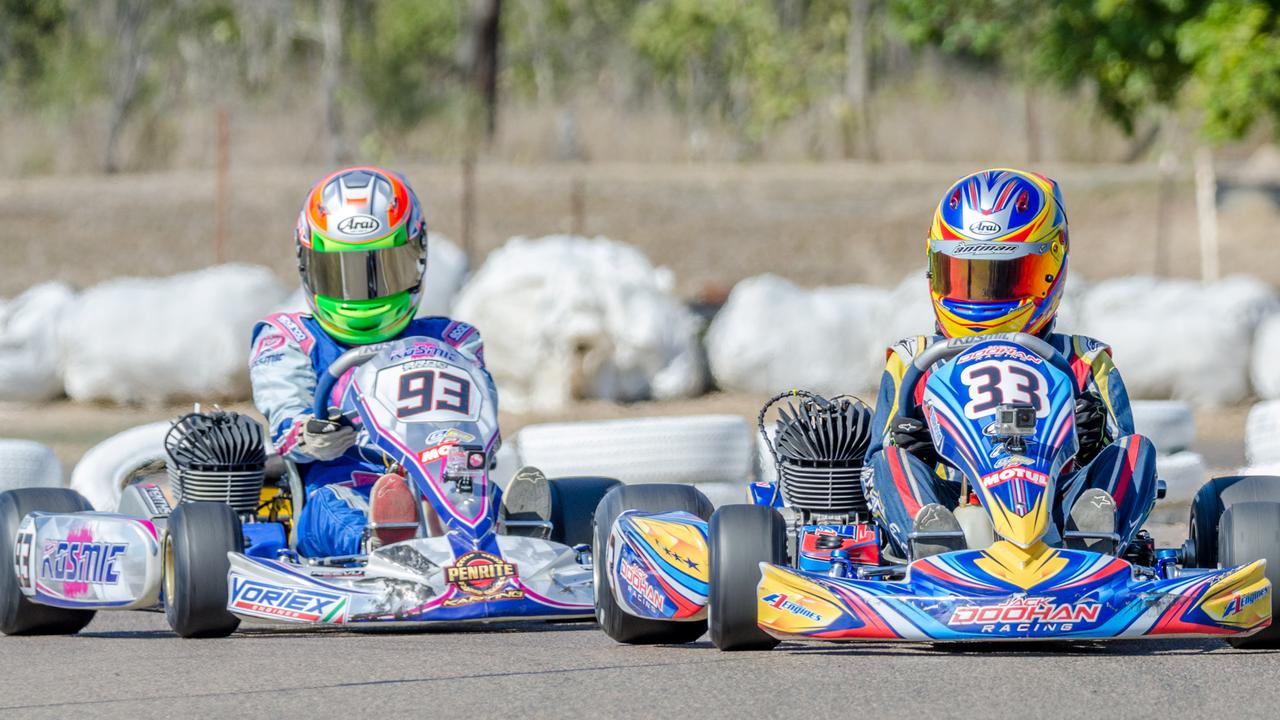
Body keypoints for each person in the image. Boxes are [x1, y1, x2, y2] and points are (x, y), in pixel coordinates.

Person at [249, 166, 546, 558]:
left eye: (383, 270)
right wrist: (312, 432)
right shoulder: (289, 339)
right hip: (347, 481)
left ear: (417, 259)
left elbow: (483, 423)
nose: (363, 292)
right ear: (309, 265)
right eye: (343, 273)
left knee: (480, 494)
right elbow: (286, 417)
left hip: (448, 481)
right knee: (331, 511)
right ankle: (381, 542)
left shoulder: (453, 340)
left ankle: (513, 531)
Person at [863, 168, 1156, 560]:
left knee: (1136, 450)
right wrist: (918, 450)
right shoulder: (913, 361)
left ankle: (1093, 540)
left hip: (1062, 514)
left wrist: (1090, 439)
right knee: (890, 460)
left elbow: (1118, 449)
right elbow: (871, 475)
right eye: (965, 276)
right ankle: (930, 539)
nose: (983, 294)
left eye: (1004, 277)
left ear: (1049, 269)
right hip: (952, 513)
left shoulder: (1084, 361)